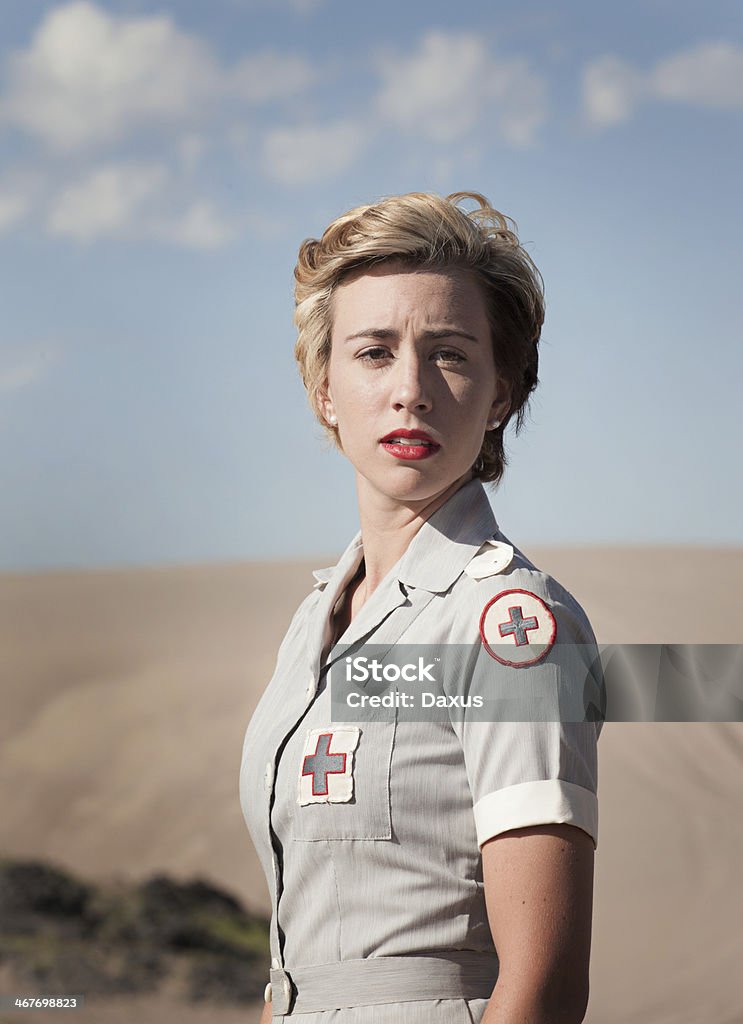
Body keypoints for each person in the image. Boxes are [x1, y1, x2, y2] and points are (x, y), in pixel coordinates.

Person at [240, 191, 603, 1024]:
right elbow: (299, 952)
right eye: (373, 352)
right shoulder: (316, 620)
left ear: (501, 393)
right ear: (323, 389)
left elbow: (542, 989)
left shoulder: (508, 625)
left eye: (448, 354)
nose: (409, 389)